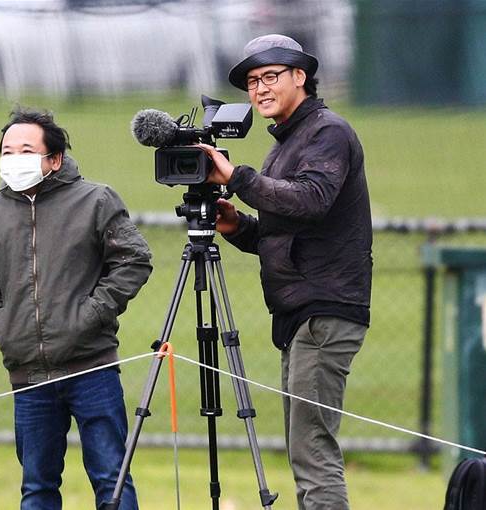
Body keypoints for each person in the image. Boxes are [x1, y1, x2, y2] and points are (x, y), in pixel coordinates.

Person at [200, 34, 372, 509]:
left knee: (312, 450)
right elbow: (286, 232)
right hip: (301, 313)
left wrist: (238, 178)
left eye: (270, 76)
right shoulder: (287, 143)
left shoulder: (326, 132)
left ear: (301, 76)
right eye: (252, 82)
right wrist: (236, 227)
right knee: (305, 449)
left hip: (325, 308)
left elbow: (311, 200)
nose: (259, 89)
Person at [0, 108, 152, 510]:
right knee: (37, 487)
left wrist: (88, 316)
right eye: (7, 151)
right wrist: (3, 326)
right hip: (28, 375)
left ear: (54, 159)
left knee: (112, 482)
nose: (15, 159)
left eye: (26, 150)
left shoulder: (96, 200)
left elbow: (134, 261)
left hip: (92, 369)